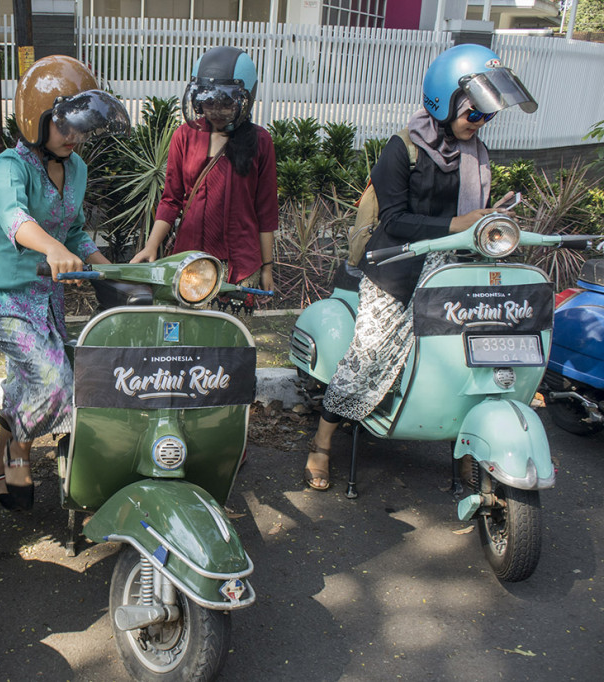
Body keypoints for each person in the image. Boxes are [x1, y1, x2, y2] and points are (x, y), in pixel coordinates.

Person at [302, 44, 538, 490]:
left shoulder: (477, 155)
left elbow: (474, 215)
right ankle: (322, 443)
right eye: (474, 113)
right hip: (396, 270)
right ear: (444, 101)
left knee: (473, 357)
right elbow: (393, 220)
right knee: (366, 358)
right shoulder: (403, 148)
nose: (480, 122)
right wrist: (457, 222)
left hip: (452, 273)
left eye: (487, 115)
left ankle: (471, 442)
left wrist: (490, 220)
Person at [0, 55, 129, 511]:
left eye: (80, 128)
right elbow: (14, 218)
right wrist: (51, 249)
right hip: (0, 296)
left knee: (26, 381)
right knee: (55, 381)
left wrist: (104, 266)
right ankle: (20, 449)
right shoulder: (9, 166)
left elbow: (73, 227)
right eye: (65, 126)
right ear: (36, 119)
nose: (74, 137)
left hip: (45, 298)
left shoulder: (75, 168)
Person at [131, 46, 278, 301]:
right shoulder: (184, 137)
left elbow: (266, 212)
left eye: (225, 103)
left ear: (245, 99)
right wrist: (151, 246)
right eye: (208, 102)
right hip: (190, 263)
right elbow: (171, 199)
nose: (215, 110)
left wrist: (267, 267)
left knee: (232, 336)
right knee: (188, 335)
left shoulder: (260, 142)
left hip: (240, 266)